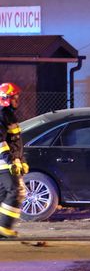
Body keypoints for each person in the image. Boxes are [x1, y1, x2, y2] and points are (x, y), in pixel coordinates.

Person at [0, 82, 28, 238]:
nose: (17, 100)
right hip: (3, 162)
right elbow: (1, 142)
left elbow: (15, 141)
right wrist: (11, 161)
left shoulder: (8, 114)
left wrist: (21, 160)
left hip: (6, 161)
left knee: (3, 195)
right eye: (14, 97)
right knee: (17, 191)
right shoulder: (2, 114)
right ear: (6, 98)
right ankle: (4, 227)